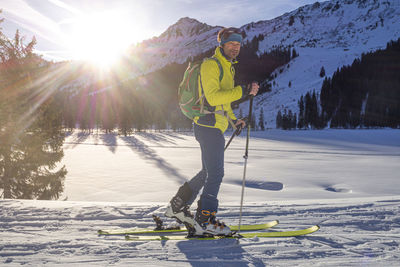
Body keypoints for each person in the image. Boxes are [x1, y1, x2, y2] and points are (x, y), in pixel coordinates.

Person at [165, 27, 259, 236]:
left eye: (238, 44)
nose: (235, 48)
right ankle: (204, 220)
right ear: (222, 44)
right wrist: (243, 91)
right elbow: (213, 98)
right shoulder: (211, 65)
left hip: (213, 125)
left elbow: (223, 104)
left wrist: (234, 121)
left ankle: (177, 206)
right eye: (231, 44)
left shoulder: (227, 67)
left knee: (207, 172)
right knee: (216, 173)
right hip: (207, 126)